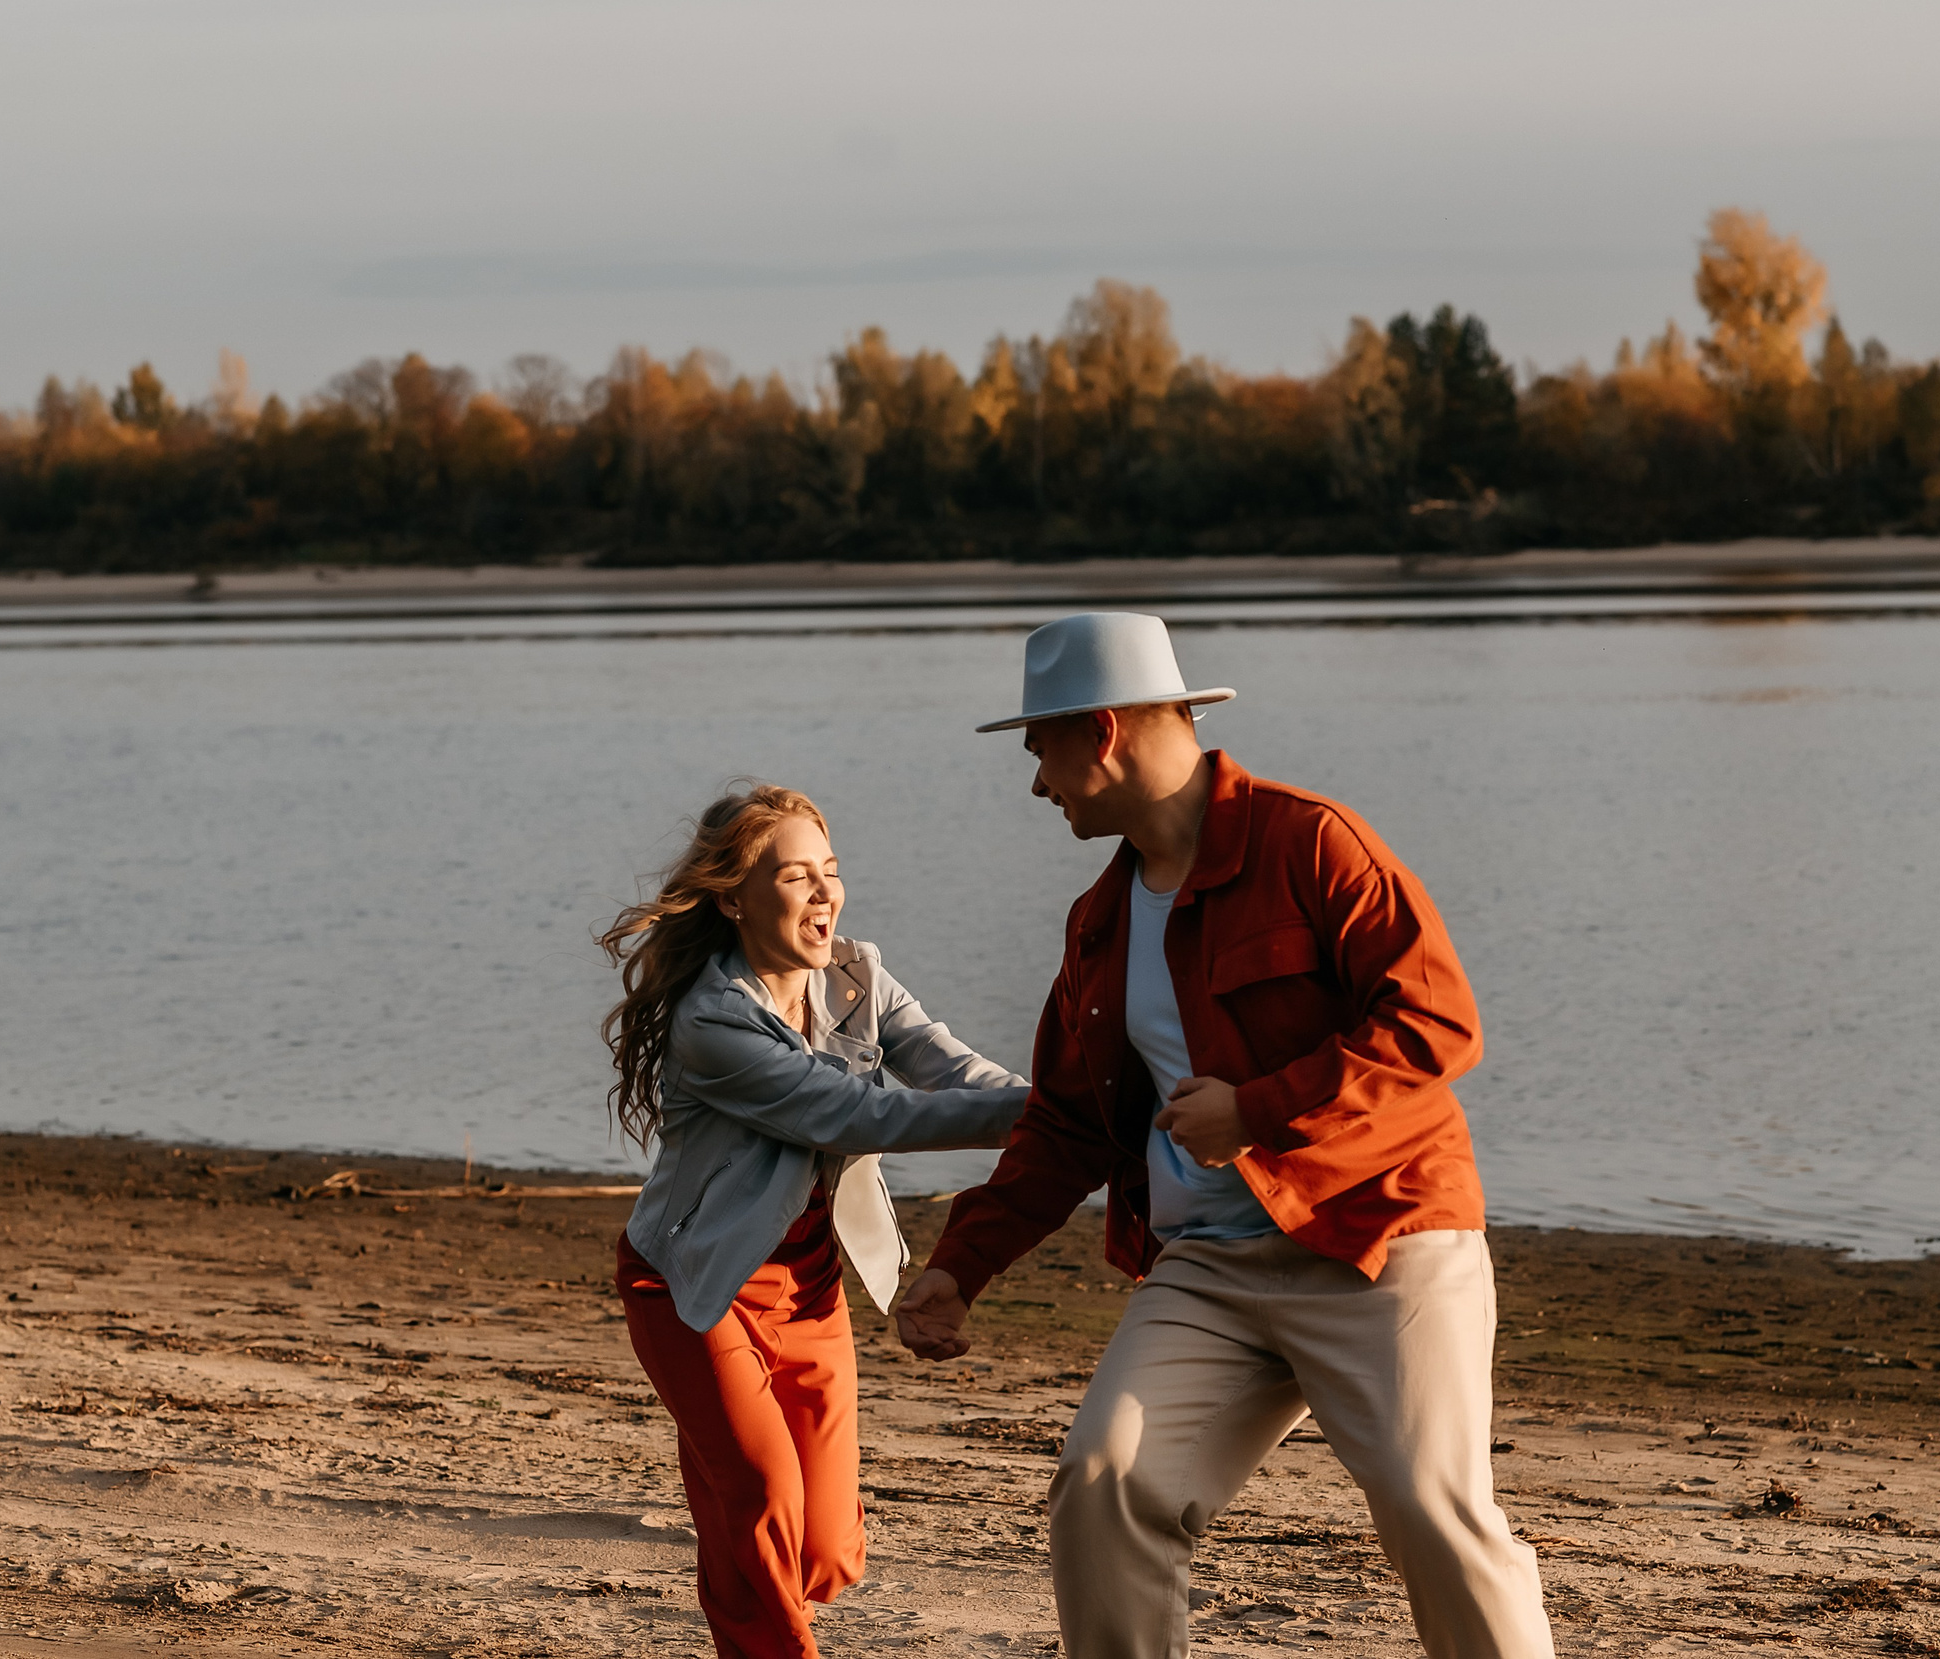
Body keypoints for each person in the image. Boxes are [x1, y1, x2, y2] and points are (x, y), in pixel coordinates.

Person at [893, 613, 1553, 1659]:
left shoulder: (1311, 843)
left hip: (1381, 1242)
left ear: (1100, 732)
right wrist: (960, 1268)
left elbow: (1436, 1024)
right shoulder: (1097, 925)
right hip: (1208, 1269)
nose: (1036, 786)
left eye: (1040, 753)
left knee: (1436, 1513)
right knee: (1104, 1485)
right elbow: (1066, 1125)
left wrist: (1254, 1111)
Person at [601, 784, 1030, 1659]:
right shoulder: (712, 1022)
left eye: (831, 872)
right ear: (735, 898)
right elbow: (859, 1115)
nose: (825, 894)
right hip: (694, 1283)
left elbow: (949, 1069)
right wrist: (1042, 1121)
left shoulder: (857, 974)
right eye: (797, 877)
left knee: (825, 1551)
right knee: (760, 1491)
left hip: (805, 1284)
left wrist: (1061, 1107)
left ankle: (734, 1511)